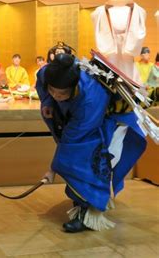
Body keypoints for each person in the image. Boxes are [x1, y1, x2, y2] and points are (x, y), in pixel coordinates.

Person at [36, 53, 151, 233]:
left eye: (61, 93)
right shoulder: (48, 73)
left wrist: (52, 169)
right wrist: (48, 100)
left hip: (106, 121)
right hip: (82, 120)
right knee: (71, 159)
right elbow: (42, 81)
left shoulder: (91, 96)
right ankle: (81, 204)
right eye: (53, 90)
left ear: (74, 87)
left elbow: (73, 139)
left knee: (86, 163)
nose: (57, 96)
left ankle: (88, 213)